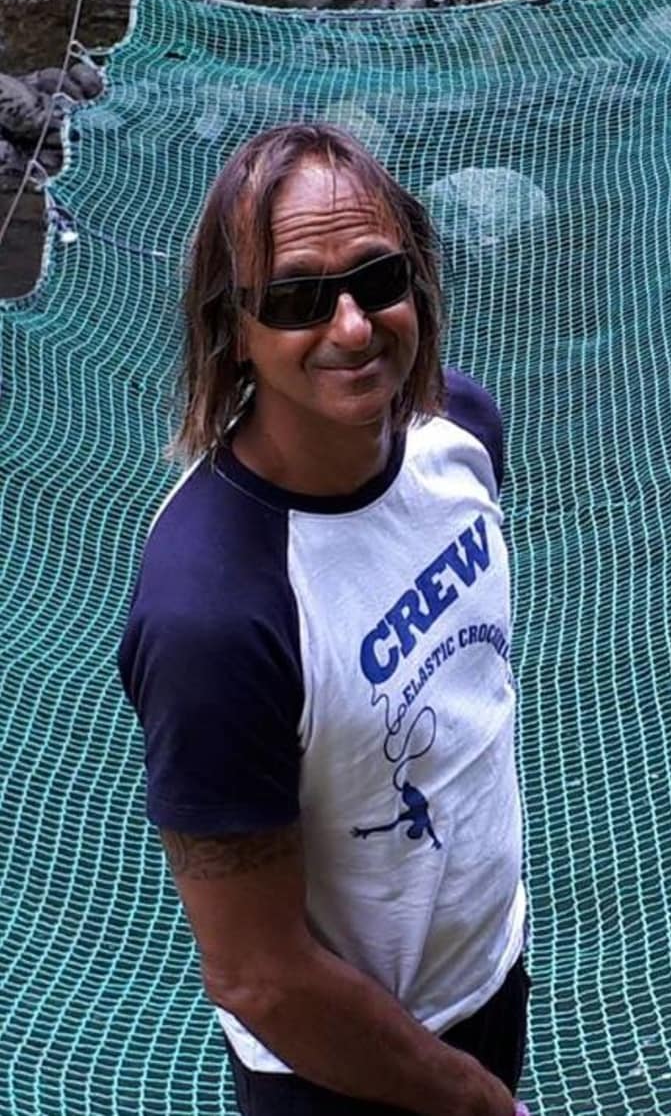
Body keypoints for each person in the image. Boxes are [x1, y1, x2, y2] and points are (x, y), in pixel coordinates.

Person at [117, 123, 530, 1116]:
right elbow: (257, 973)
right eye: (298, 298)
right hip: (331, 1070)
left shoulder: (461, 432)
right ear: (234, 326)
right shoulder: (214, 615)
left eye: (378, 279)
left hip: (487, 973)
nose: (352, 327)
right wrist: (476, 1103)